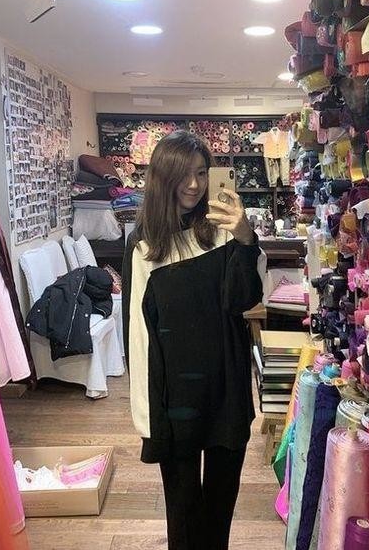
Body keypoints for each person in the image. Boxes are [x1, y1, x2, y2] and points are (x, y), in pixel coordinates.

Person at [122, 130, 266, 550]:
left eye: (202, 173)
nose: (194, 185)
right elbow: (139, 334)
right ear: (162, 178)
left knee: (220, 512)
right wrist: (147, 418)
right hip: (176, 403)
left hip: (226, 393)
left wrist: (245, 238)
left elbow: (245, 300)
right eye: (183, 175)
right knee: (184, 517)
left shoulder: (223, 230)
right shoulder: (144, 246)